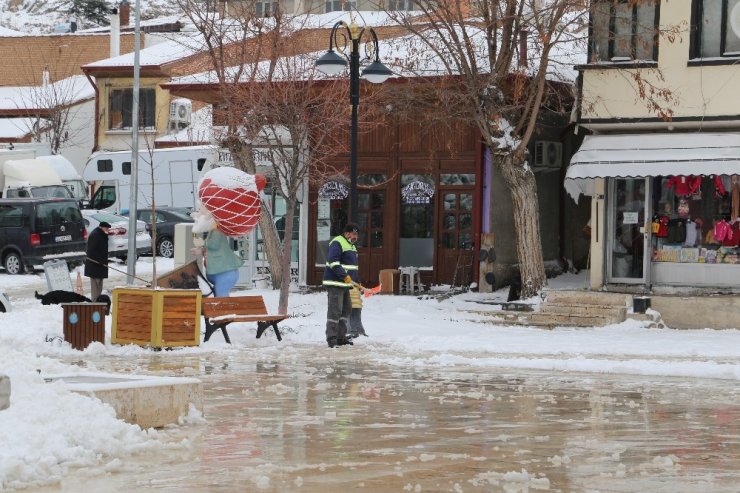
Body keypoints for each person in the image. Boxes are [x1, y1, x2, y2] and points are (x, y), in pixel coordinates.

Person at [322, 222, 359, 348]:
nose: (355, 237)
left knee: (346, 309)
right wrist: (344, 276)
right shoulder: (337, 242)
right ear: (346, 233)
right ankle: (331, 338)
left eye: (356, 235)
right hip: (335, 282)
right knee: (335, 310)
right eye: (353, 234)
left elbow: (352, 267)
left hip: (344, 284)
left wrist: (357, 281)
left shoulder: (351, 246)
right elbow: (333, 261)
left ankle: (340, 337)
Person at [203, 228, 243, 297]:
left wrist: (203, 242)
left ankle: (223, 306)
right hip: (221, 271)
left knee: (221, 295)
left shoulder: (217, 231)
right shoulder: (213, 231)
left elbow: (213, 244)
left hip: (224, 272)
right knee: (220, 295)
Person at [84, 221, 111, 302]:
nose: (107, 230)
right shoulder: (96, 235)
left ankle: (98, 301)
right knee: (95, 285)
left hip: (100, 265)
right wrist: (100, 261)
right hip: (95, 265)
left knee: (99, 284)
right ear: (102, 227)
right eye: (106, 228)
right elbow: (91, 251)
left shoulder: (101, 234)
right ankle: (95, 302)